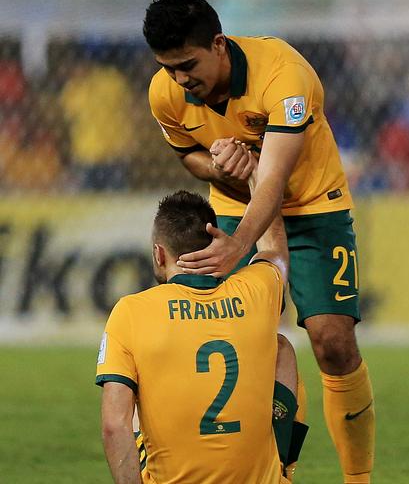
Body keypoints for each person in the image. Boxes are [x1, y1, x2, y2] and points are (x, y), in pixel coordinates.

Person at [143, 0, 375, 482]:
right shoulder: (164, 92)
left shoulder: (285, 75)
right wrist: (222, 166)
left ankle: (359, 479)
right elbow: (190, 159)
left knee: (333, 343)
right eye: (169, 69)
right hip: (230, 205)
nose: (181, 80)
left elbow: (273, 182)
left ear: (219, 44)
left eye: (188, 65)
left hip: (313, 204)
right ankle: (271, 471)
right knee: (227, 339)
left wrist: (238, 241)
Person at [97, 190, 306, 483]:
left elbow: (113, 425)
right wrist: (259, 179)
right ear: (215, 243)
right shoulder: (256, 290)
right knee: (281, 347)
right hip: (256, 477)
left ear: (159, 253)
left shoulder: (130, 311)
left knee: (133, 382)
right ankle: (280, 470)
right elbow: (275, 252)